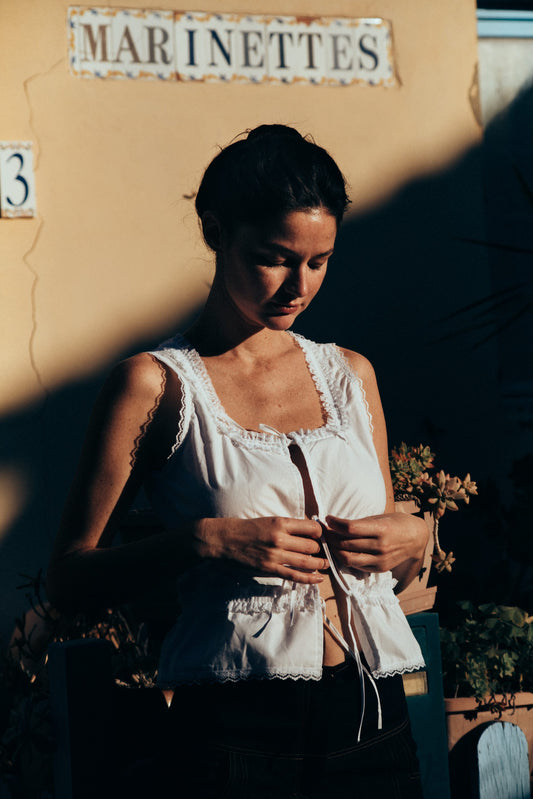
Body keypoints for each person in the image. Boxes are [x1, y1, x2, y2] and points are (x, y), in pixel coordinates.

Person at [47, 124, 429, 798]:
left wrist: (411, 538)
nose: (298, 286)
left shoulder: (349, 375)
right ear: (216, 231)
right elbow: (68, 581)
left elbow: (390, 574)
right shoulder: (155, 384)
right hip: (235, 737)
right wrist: (206, 541)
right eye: (274, 258)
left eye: (319, 261)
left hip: (375, 724)